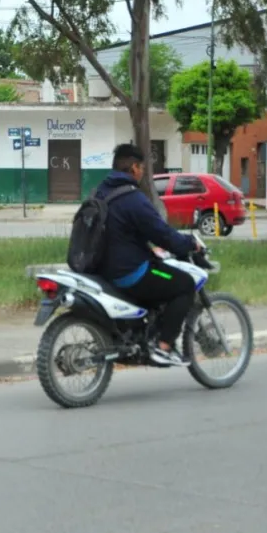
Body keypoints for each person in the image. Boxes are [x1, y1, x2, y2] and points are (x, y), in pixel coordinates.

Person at [94, 143, 200, 367]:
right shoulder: (133, 198)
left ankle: (141, 335)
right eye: (141, 167)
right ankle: (163, 346)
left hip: (101, 271)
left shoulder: (98, 192)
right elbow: (162, 233)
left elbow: (119, 233)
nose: (142, 172)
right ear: (133, 168)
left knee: (159, 277)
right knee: (184, 284)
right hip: (129, 273)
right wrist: (188, 244)